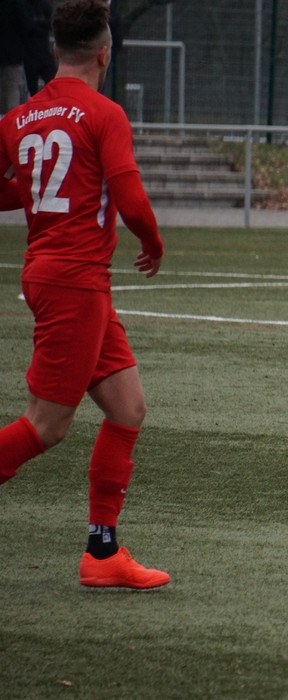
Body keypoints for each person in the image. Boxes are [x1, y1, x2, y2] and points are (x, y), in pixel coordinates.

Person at [0, 0, 169, 589]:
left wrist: (38, 192)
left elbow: (16, 188)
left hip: (65, 278)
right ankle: (101, 554)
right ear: (105, 53)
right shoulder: (104, 113)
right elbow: (131, 199)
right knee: (46, 426)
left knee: (127, 408)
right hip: (73, 281)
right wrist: (153, 244)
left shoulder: (18, 118)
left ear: (53, 51)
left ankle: (102, 553)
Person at [0, 0, 29, 114]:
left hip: (10, 52)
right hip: (13, 53)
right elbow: (25, 25)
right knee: (13, 88)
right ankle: (13, 117)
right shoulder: (17, 4)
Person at [23, 0, 57, 96]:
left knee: (53, 82)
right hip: (28, 55)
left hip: (44, 53)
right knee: (32, 89)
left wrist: (36, 26)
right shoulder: (23, 6)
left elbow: (52, 23)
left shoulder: (44, 5)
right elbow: (24, 25)